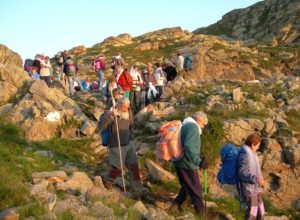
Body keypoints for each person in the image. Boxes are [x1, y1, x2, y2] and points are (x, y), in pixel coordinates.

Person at [94, 97, 148, 198]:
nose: (125, 109)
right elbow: (100, 127)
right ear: (118, 105)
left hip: (128, 144)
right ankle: (107, 181)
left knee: (134, 167)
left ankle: (137, 189)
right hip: (115, 145)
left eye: (127, 108)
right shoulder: (109, 114)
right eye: (123, 107)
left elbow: (131, 126)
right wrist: (109, 118)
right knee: (117, 168)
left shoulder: (129, 113)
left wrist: (131, 138)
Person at [170, 111, 209, 217]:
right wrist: (199, 162)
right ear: (199, 120)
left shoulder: (186, 124)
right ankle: (201, 214)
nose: (203, 127)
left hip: (179, 161)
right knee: (196, 189)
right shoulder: (193, 127)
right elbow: (189, 147)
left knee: (186, 186)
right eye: (203, 124)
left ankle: (175, 205)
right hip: (186, 163)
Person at [237, 134, 265, 220]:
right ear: (253, 144)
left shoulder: (252, 153)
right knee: (252, 213)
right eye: (258, 145)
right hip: (249, 189)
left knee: (261, 210)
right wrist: (255, 179)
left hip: (255, 188)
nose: (258, 147)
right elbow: (242, 173)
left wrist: (259, 179)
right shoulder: (245, 154)